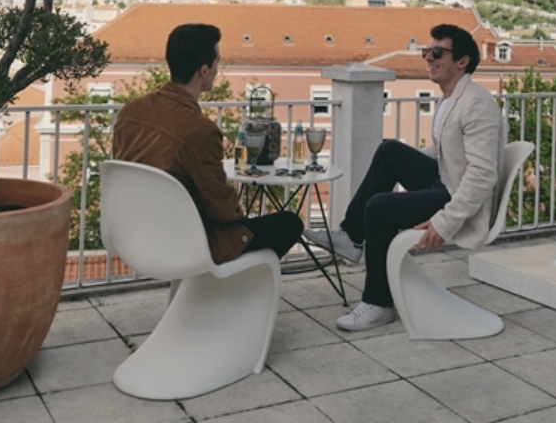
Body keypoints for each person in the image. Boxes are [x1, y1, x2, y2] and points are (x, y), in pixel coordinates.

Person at [306, 23, 504, 331]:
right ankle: (351, 236)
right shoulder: (450, 98)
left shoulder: (477, 104)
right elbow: (441, 152)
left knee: (380, 208)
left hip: (455, 196)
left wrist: (445, 220)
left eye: (438, 52)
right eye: (427, 51)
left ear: (462, 61)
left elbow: (482, 174)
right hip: (444, 179)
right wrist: (403, 161)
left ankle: (378, 303)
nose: (428, 58)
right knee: (389, 151)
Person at [113, 23, 303, 263]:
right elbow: (222, 208)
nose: (217, 70)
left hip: (134, 234)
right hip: (186, 241)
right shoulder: (200, 131)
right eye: (217, 63)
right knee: (289, 222)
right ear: (204, 70)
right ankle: (235, 287)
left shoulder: (131, 109)